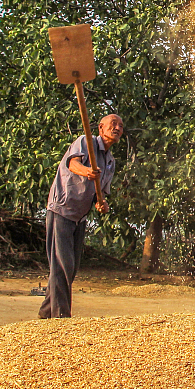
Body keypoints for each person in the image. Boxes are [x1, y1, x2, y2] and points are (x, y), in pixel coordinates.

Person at [39, 113, 124, 319]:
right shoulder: (85, 142)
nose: (118, 128)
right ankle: (61, 316)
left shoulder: (110, 161)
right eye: (113, 124)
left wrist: (102, 203)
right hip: (62, 209)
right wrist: (87, 171)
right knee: (63, 264)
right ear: (101, 128)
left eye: (121, 126)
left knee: (71, 266)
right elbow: (72, 164)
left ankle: (45, 313)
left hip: (80, 216)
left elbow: (100, 192)